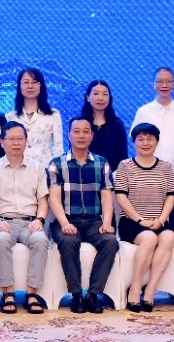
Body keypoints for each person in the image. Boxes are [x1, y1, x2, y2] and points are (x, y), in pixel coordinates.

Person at [47, 117, 118, 314]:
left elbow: (107, 197)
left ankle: (93, 295)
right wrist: (64, 223)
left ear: (92, 136)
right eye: (76, 131)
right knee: (68, 241)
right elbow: (54, 199)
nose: (81, 135)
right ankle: (77, 295)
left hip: (94, 221)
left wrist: (107, 222)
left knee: (110, 241)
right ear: (69, 135)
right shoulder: (56, 164)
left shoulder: (101, 163)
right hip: (66, 220)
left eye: (86, 131)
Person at [0, 121, 50, 314]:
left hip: (31, 222)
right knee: (2, 240)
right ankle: (8, 293)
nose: (16, 143)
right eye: (11, 138)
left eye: (20, 138)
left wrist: (40, 220)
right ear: (2, 142)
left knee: (40, 240)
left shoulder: (37, 168)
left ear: (26, 141)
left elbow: (43, 202)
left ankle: (32, 294)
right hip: (3, 221)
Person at [113, 123, 174, 313]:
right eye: (140, 139)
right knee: (149, 238)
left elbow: (170, 197)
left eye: (150, 138)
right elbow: (121, 197)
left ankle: (150, 291)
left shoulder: (165, 167)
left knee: (169, 237)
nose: (145, 143)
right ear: (133, 142)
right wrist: (140, 220)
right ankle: (134, 290)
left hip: (159, 221)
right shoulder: (125, 166)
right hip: (131, 222)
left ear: (157, 142)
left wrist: (161, 220)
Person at [132, 68, 174, 174]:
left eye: (168, 81)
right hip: (150, 172)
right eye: (160, 81)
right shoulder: (143, 112)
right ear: (153, 84)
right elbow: (137, 142)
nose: (164, 85)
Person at [13, 68, 63, 169]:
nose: (30, 86)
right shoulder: (10, 117)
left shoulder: (53, 115)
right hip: (18, 170)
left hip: (45, 170)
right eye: (26, 82)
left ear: (41, 85)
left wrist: (54, 173)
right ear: (19, 86)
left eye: (34, 82)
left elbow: (58, 148)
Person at [80, 80, 128, 170]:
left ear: (110, 98)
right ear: (87, 97)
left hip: (112, 176)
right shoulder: (79, 124)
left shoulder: (117, 126)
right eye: (96, 93)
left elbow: (123, 158)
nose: (100, 98)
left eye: (105, 94)